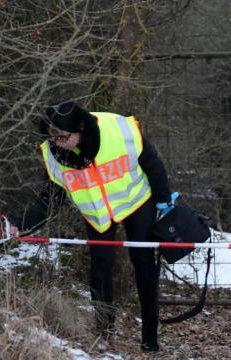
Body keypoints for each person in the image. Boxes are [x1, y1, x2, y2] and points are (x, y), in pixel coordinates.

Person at [15, 101, 173, 352]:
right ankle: (105, 333)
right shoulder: (53, 155)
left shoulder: (120, 130)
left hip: (136, 202)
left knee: (145, 265)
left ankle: (150, 337)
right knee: (99, 270)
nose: (56, 142)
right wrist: (19, 226)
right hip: (97, 213)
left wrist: (164, 201)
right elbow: (50, 201)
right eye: (51, 137)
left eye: (63, 136)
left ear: (80, 129)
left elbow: (153, 163)